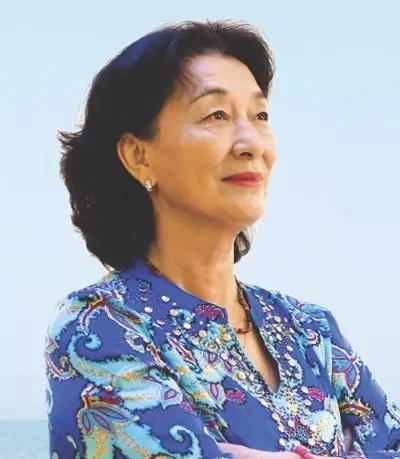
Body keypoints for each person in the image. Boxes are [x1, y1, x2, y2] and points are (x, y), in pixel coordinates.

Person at [45, 19, 400, 459]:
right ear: (138, 156)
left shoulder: (311, 329)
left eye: (260, 116)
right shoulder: (100, 325)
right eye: (216, 115)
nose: (251, 143)